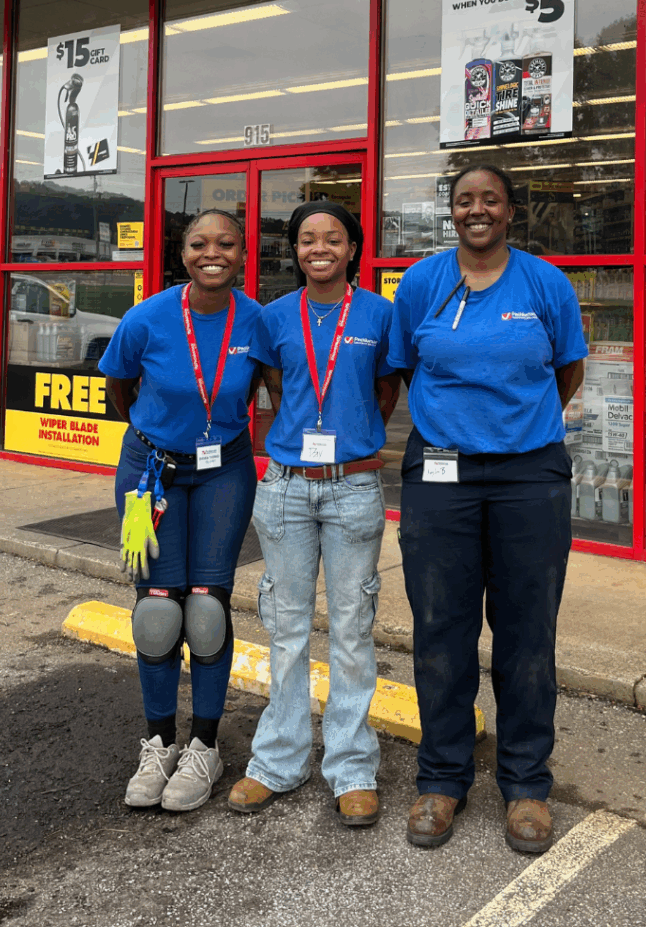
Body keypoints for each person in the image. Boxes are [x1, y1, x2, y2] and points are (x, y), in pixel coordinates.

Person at [388, 164, 587, 853]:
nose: (477, 210)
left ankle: (527, 785)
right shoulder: (421, 284)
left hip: (530, 476)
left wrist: (514, 435)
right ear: (452, 212)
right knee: (441, 629)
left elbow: (567, 371)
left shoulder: (544, 284)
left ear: (509, 211)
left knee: (527, 633)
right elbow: (411, 366)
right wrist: (462, 430)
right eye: (465, 200)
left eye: (490, 200)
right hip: (441, 474)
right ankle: (441, 779)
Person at [229, 200, 400, 827]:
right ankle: (279, 760)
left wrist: (349, 442)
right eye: (306, 239)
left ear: (352, 248)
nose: (318, 248)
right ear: (295, 250)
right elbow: (278, 387)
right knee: (286, 626)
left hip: (353, 488)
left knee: (353, 630)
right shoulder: (275, 317)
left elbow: (385, 391)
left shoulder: (381, 314)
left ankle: (352, 767)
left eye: (332, 238)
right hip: (285, 488)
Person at [98, 208, 261, 812]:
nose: (210, 253)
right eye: (198, 243)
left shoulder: (258, 322)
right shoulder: (147, 318)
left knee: (207, 611)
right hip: (150, 475)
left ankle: (205, 746)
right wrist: (157, 437)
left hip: (225, 473)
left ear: (243, 255)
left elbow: (268, 388)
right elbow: (121, 387)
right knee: (158, 615)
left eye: (224, 244)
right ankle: (159, 741)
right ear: (182, 253)